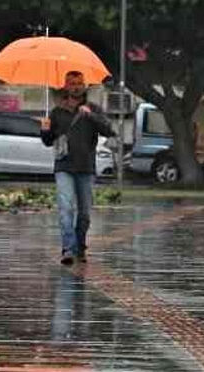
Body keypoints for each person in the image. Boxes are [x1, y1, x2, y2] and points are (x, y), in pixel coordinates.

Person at [41, 71, 116, 265]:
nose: (75, 86)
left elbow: (109, 131)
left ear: (85, 86)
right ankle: (68, 248)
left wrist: (91, 116)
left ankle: (80, 246)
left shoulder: (93, 108)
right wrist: (45, 129)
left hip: (86, 168)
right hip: (64, 166)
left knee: (84, 213)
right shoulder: (57, 112)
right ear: (65, 86)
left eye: (79, 83)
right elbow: (48, 142)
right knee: (66, 208)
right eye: (71, 83)